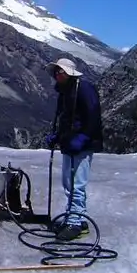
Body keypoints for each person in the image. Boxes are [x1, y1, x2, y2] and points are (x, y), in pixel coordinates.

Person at [44, 57, 104, 241]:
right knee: (69, 183)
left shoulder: (83, 88)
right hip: (70, 144)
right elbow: (66, 118)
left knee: (76, 184)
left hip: (81, 145)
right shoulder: (66, 91)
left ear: (68, 72)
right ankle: (77, 218)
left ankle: (76, 222)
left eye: (59, 71)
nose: (56, 75)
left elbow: (93, 116)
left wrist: (82, 138)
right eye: (55, 72)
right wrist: (58, 136)